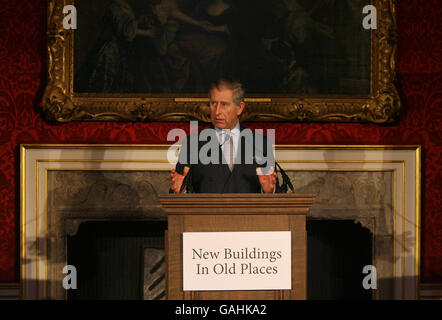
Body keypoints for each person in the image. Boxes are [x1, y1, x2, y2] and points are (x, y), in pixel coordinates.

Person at [170, 78, 277, 193]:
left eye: (224, 105)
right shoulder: (193, 144)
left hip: (247, 211)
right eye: (213, 104)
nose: (217, 112)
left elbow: (276, 194)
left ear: (239, 108)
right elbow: (177, 192)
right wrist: (180, 192)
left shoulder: (260, 144)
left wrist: (268, 191)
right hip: (206, 211)